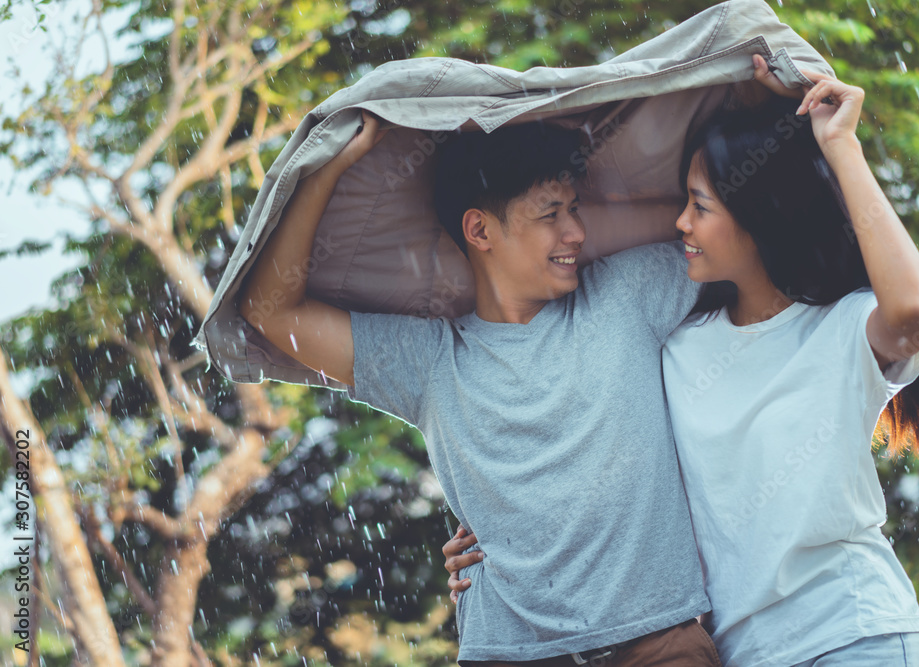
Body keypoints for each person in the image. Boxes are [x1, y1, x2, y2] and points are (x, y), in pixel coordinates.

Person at [443, 70, 919, 666]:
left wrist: (839, 144)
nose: (680, 223)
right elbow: (604, 470)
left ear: (758, 217)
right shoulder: (676, 348)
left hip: (851, 633)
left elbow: (914, 310)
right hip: (743, 652)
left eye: (698, 206)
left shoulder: (842, 329)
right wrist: (502, 535)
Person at [238, 110, 722, 664]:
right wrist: (327, 167)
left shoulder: (626, 292)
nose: (577, 233)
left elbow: (725, 222)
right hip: (510, 651)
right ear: (478, 230)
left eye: (576, 211)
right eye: (550, 215)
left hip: (656, 641)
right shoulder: (429, 361)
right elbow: (269, 311)